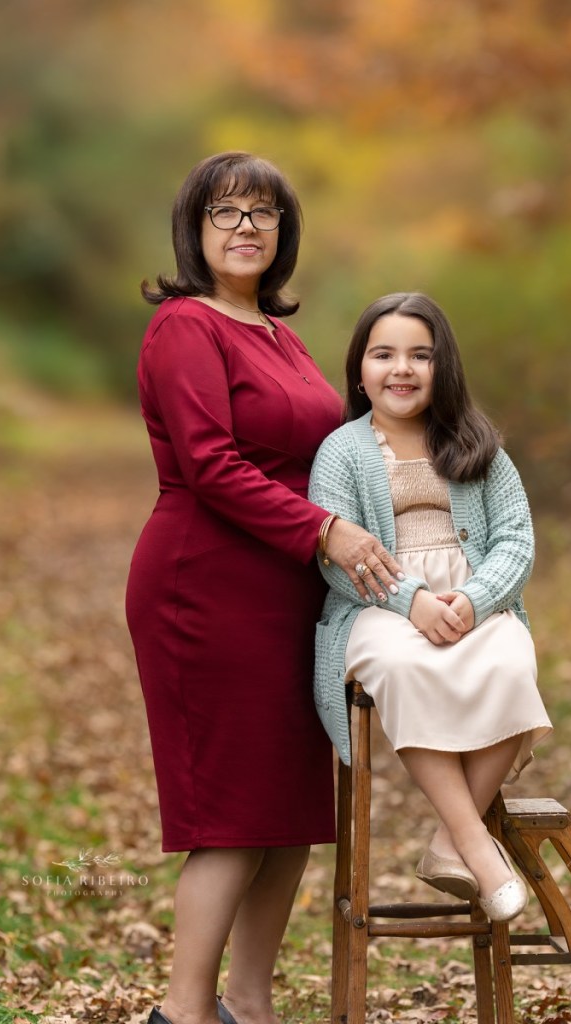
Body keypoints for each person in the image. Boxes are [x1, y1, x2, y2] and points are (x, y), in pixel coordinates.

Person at [125, 152, 405, 1024]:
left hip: (289, 594)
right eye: (225, 211)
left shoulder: (280, 334)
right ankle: (184, 1013)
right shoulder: (184, 327)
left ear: (283, 233)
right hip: (203, 588)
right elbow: (210, 464)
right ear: (195, 230)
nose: (245, 226)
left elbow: (335, 448)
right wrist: (324, 529)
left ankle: (249, 1006)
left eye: (262, 212)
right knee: (231, 817)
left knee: (290, 816)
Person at [309, 292, 553, 923]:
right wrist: (408, 601)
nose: (403, 369)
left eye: (421, 355)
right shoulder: (341, 450)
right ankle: (475, 842)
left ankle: (448, 843)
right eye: (384, 354)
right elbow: (333, 557)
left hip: (473, 601)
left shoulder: (476, 444)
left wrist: (472, 603)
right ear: (359, 369)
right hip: (377, 609)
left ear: (444, 367)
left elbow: (516, 539)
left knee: (510, 665)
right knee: (403, 668)